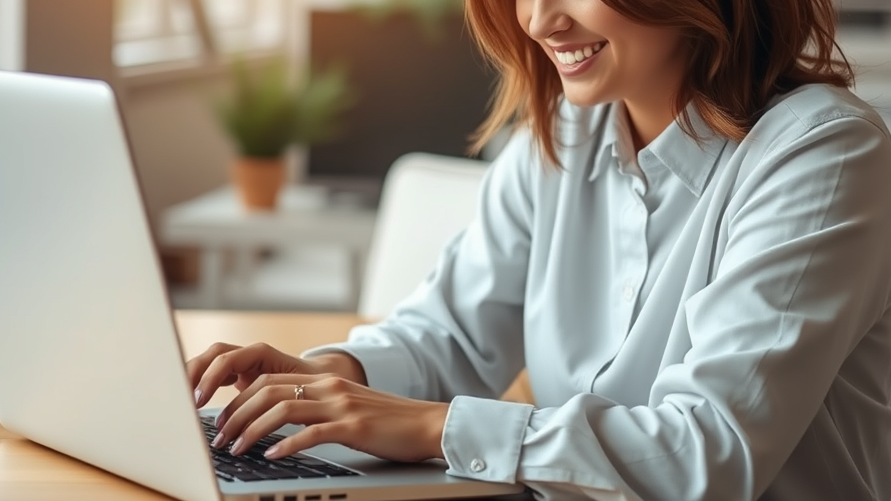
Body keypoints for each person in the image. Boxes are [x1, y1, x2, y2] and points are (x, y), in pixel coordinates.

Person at [187, 0, 891, 499]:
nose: (537, 18)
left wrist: (434, 426)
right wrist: (321, 382)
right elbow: (449, 337)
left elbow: (705, 456)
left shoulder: (821, 153)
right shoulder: (559, 137)